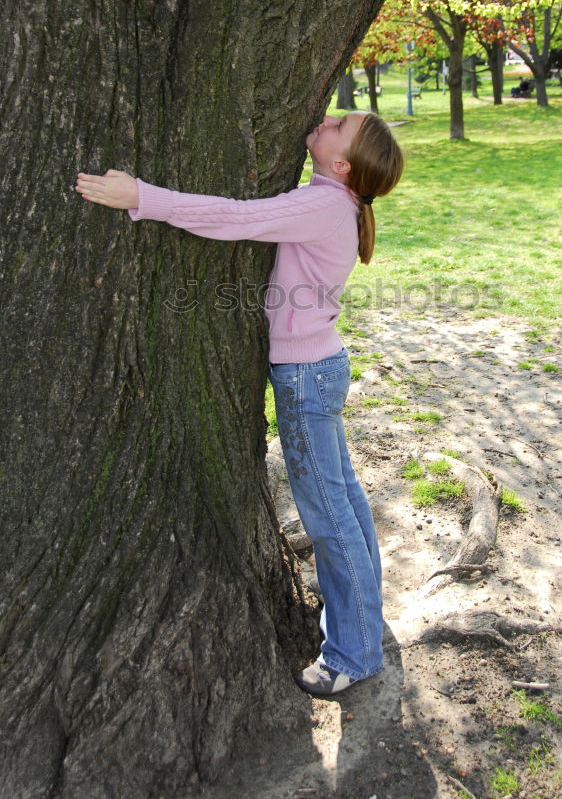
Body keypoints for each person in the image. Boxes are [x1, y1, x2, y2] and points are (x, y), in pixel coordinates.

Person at [75, 111, 404, 696]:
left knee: (331, 518)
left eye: (339, 125)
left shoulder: (324, 206)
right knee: (343, 506)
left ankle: (353, 654)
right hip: (318, 368)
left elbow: (236, 217)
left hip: (308, 377)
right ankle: (365, 628)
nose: (327, 119)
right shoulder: (330, 200)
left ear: (343, 163)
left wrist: (142, 196)